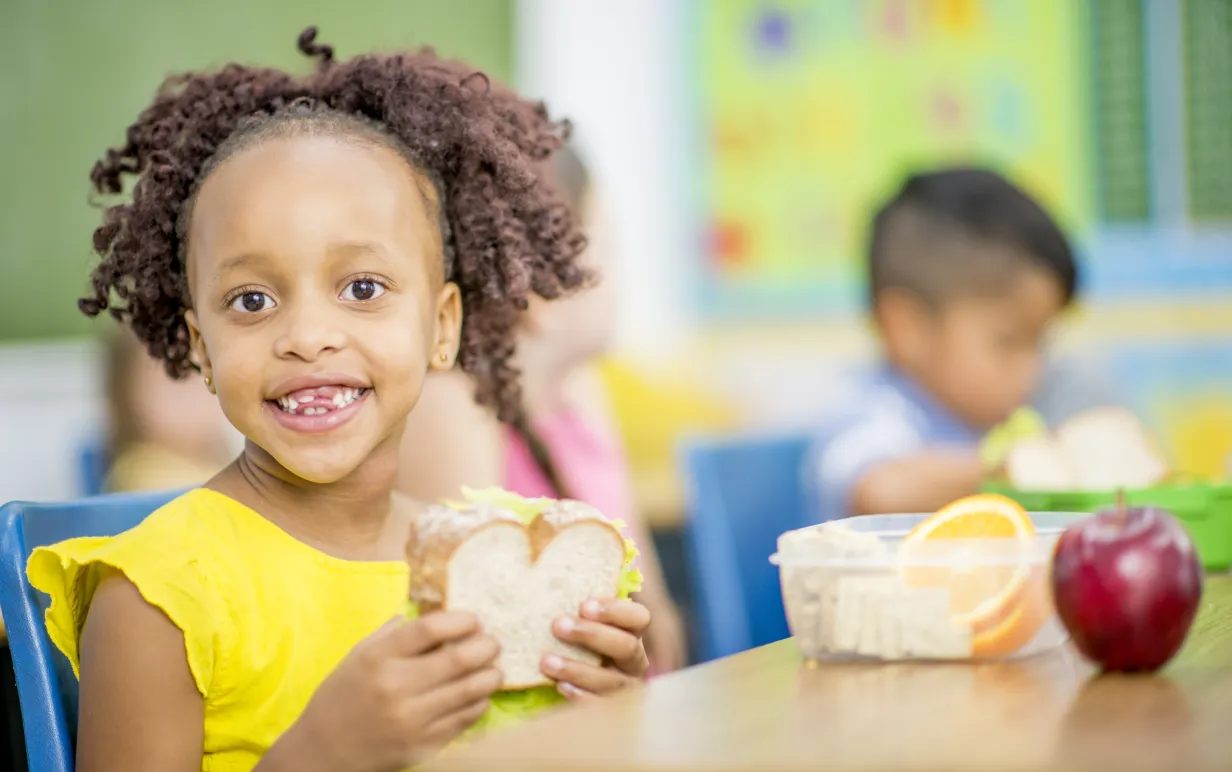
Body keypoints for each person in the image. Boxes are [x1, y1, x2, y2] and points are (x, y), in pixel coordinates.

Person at [27, 28, 652, 772]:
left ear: (442, 327)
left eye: (362, 288)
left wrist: (606, 716)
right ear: (199, 347)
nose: (308, 336)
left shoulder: (491, 561)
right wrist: (322, 754)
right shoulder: (158, 597)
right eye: (252, 299)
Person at [398, 144, 687, 673]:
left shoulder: (580, 388)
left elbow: (654, 616)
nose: (622, 279)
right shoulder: (451, 406)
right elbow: (469, 633)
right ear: (537, 287)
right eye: (610, 251)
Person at [808, 167, 1079, 520]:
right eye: (1008, 342)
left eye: (1039, 342)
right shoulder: (871, 409)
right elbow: (878, 491)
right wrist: (1015, 465)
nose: (1032, 370)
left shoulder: (981, 424)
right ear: (908, 328)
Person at [103, 327, 236, 492]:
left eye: (205, 370)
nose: (201, 388)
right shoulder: (144, 477)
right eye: (178, 376)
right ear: (128, 395)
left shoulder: (220, 466)